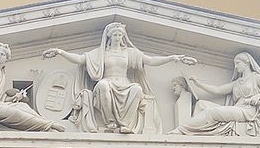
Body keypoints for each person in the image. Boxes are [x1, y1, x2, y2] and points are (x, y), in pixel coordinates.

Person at [43, 23, 194, 134]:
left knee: (137, 89)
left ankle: (125, 124)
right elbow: (81, 59)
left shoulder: (129, 53)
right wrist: (61, 52)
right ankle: (110, 123)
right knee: (102, 86)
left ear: (123, 37)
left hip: (125, 85)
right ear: (109, 36)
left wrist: (172, 57)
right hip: (107, 83)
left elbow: (150, 60)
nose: (117, 37)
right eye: (115, 34)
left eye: (120, 35)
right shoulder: (101, 53)